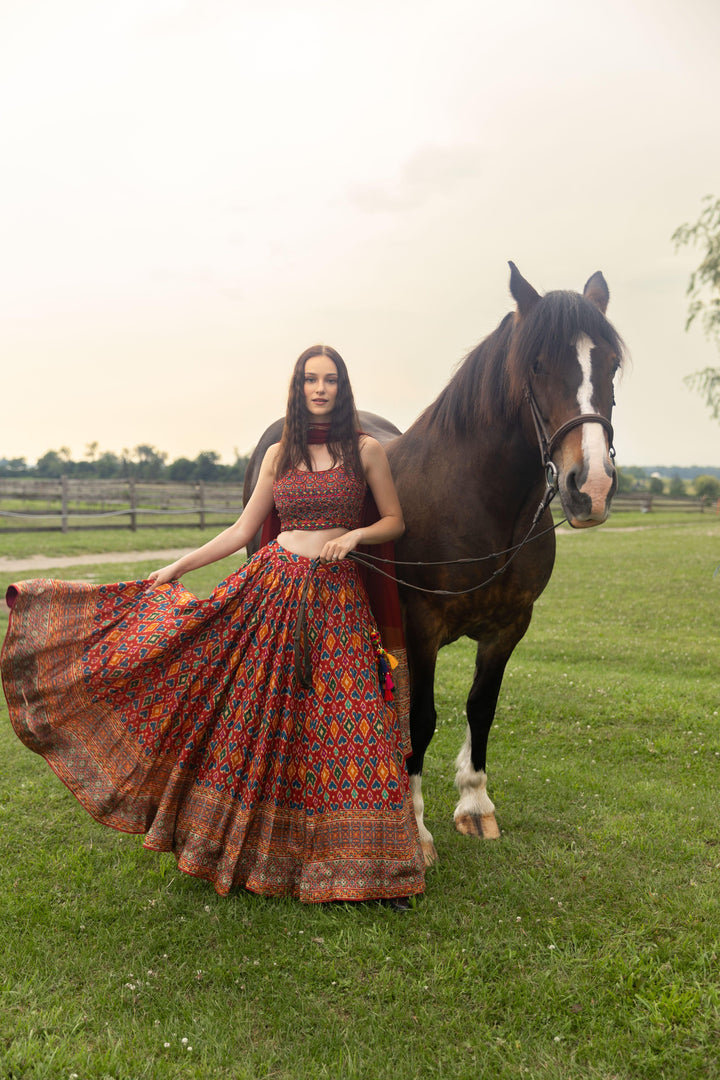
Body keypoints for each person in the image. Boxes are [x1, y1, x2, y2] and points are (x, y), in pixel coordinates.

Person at [1, 345, 425, 906]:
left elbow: (395, 519)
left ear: (342, 387)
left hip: (338, 601)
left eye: (329, 380)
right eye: (309, 380)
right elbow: (242, 528)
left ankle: (377, 870)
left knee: (356, 723)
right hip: (272, 592)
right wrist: (179, 565)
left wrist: (354, 536)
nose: (319, 389)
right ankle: (257, 852)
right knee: (258, 720)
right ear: (297, 389)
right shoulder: (280, 453)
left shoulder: (367, 451)